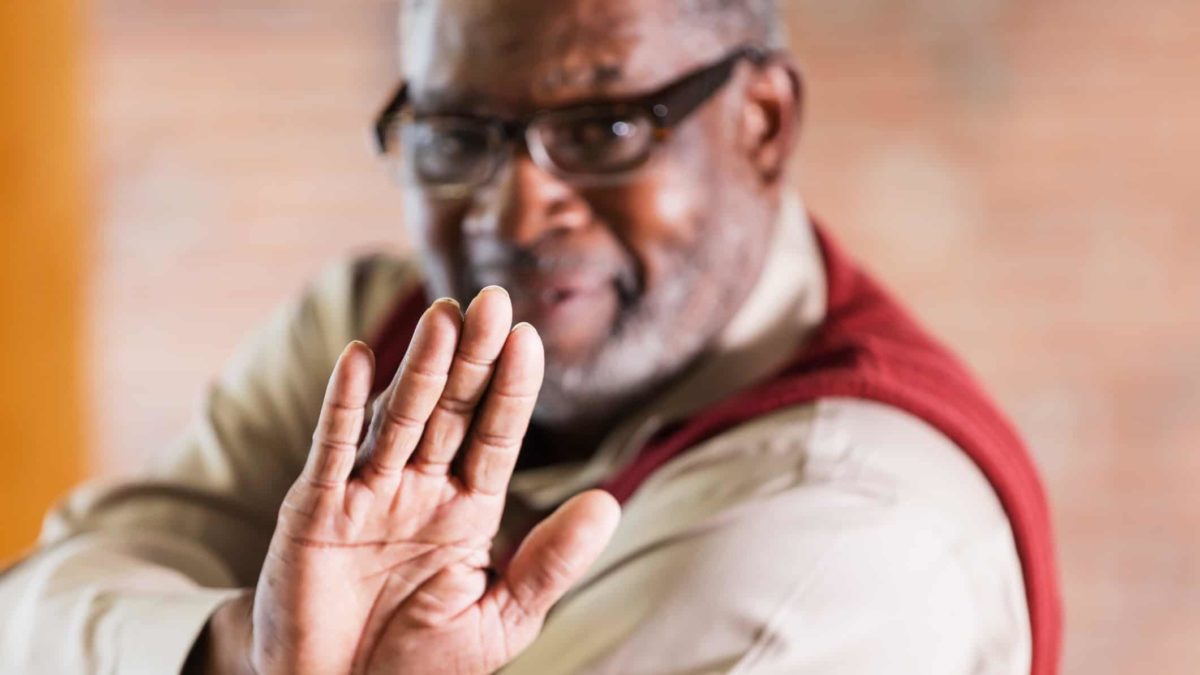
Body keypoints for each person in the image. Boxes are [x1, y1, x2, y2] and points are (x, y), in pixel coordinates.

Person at [0, 0, 1062, 673]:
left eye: (602, 131)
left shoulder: (846, 524)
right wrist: (243, 650)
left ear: (764, 124)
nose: (511, 214)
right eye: (458, 134)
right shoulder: (364, 334)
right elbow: (31, 612)